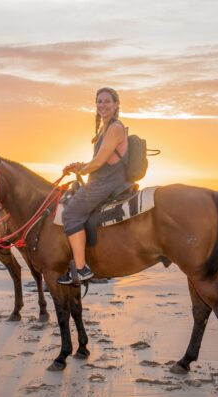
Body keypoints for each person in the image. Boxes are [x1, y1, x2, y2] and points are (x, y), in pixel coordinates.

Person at [58, 87, 128, 285]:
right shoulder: (103, 130)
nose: (102, 105)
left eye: (107, 101)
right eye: (99, 101)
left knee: (70, 213)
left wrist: (82, 170)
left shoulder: (115, 128)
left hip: (107, 181)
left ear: (116, 105)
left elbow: (98, 164)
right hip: (101, 178)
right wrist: (79, 166)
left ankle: (81, 268)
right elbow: (97, 160)